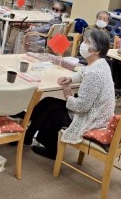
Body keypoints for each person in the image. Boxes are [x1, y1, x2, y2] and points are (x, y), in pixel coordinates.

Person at [26, 28, 116, 160]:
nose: (82, 44)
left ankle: (50, 150)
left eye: (87, 42)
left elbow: (81, 107)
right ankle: (27, 134)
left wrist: (68, 95)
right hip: (96, 113)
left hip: (91, 118)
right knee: (47, 102)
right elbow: (83, 72)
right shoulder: (100, 63)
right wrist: (70, 78)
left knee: (51, 113)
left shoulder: (94, 73)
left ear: (97, 50)